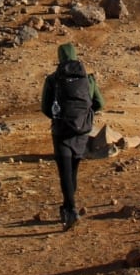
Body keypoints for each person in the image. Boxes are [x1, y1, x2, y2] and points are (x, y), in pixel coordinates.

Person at [40, 43, 105, 230]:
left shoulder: (53, 79)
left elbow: (45, 107)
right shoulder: (88, 79)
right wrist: (85, 116)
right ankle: (68, 207)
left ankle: (71, 209)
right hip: (82, 131)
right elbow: (100, 103)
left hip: (61, 131)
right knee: (73, 171)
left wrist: (59, 117)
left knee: (64, 172)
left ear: (60, 57)